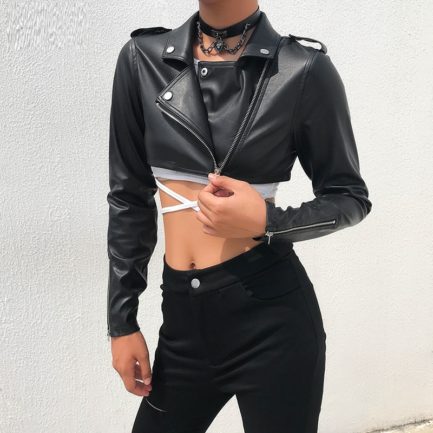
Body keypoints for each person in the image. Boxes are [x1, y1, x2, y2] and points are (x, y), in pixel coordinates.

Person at [106, 1, 372, 432]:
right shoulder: (143, 59)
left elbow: (349, 197)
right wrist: (122, 322)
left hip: (273, 322)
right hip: (183, 323)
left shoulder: (302, 69)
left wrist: (268, 222)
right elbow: (128, 198)